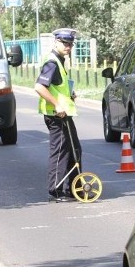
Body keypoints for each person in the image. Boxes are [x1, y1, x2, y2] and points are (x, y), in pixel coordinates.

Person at [33, 28, 81, 203]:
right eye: (65, 43)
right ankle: (56, 191)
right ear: (56, 42)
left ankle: (75, 189)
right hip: (56, 115)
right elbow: (39, 87)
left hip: (64, 114)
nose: (68, 47)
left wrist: (70, 94)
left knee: (74, 150)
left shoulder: (60, 61)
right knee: (60, 152)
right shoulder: (52, 62)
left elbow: (57, 86)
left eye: (70, 44)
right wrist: (57, 104)